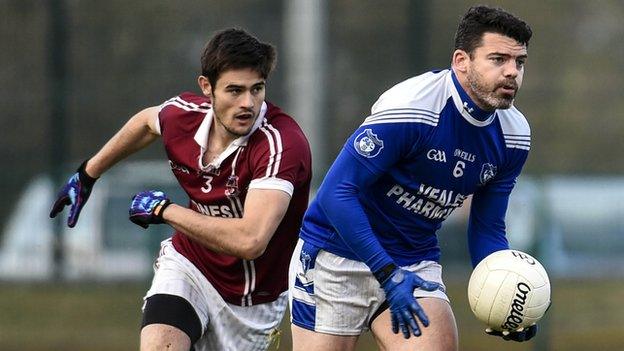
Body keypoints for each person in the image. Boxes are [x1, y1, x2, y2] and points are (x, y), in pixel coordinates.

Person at [289, 5, 536, 351]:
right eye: (498, 59)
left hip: (413, 259)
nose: (512, 72)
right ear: (461, 60)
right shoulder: (413, 108)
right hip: (336, 255)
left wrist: (506, 295)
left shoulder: (514, 135)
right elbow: (335, 194)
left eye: (519, 62)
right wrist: (386, 273)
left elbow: (487, 227)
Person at [49, 28, 312, 351]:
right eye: (234, 90)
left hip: (253, 303)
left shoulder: (280, 144)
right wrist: (88, 174)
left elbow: (250, 240)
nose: (248, 103)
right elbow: (146, 122)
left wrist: (165, 210)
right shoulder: (184, 117)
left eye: (256, 89)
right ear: (207, 88)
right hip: (191, 266)